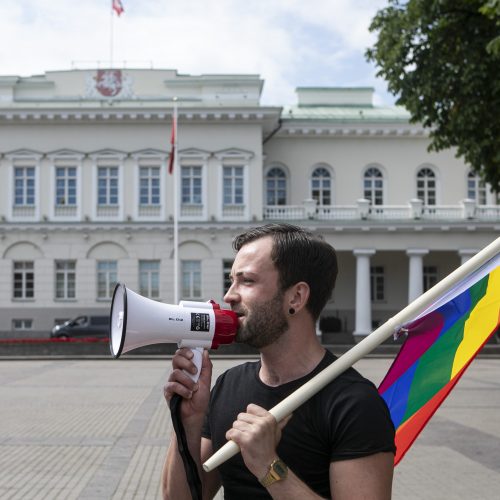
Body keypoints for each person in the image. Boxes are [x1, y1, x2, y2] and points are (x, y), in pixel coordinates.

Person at [162, 223, 395, 499]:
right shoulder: (228, 384)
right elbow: (180, 497)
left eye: (246, 281)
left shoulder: (354, 403)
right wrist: (187, 423)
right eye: (231, 280)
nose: (229, 295)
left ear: (295, 297)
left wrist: (268, 466)